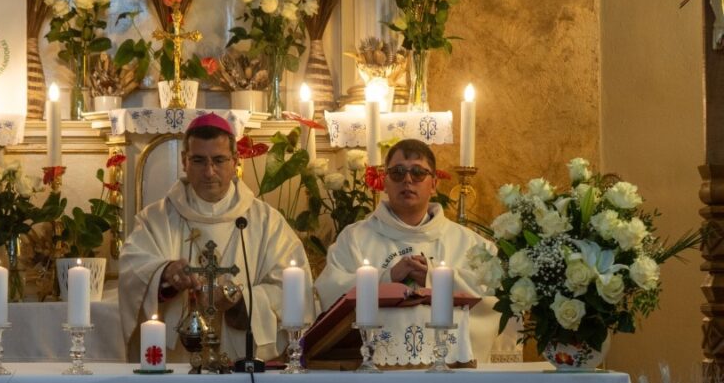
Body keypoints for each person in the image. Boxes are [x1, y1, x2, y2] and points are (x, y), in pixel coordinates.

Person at [118, 113, 314, 362]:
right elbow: (132, 269)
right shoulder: (155, 219)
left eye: (219, 160)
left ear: (235, 161)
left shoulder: (267, 222)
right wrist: (164, 274)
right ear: (184, 161)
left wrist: (240, 301)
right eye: (198, 160)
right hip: (176, 363)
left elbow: (291, 288)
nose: (209, 172)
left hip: (242, 365)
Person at [315, 139, 502, 360]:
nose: (407, 179)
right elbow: (330, 291)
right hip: (373, 366)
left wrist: (434, 277)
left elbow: (494, 301)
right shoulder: (354, 238)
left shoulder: (471, 244)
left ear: (434, 184)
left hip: (449, 368)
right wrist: (388, 277)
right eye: (397, 172)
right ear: (385, 183)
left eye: (418, 172)